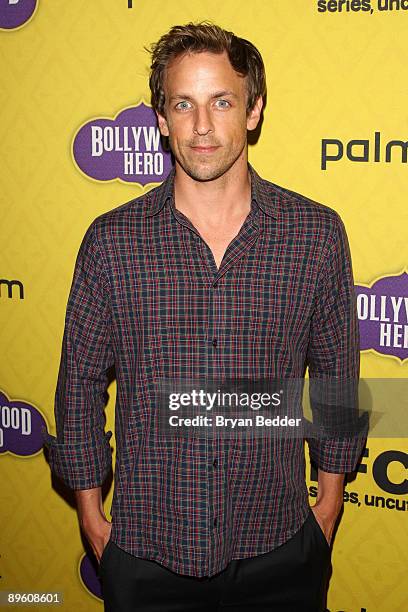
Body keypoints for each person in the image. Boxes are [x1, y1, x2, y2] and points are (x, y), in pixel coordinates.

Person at [43, 22, 367, 612]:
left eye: (221, 101)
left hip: (280, 543)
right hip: (145, 550)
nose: (201, 126)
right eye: (182, 104)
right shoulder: (111, 242)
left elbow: (340, 372)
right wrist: (91, 514)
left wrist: (330, 500)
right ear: (161, 119)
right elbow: (80, 383)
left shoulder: (314, 235)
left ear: (254, 109)